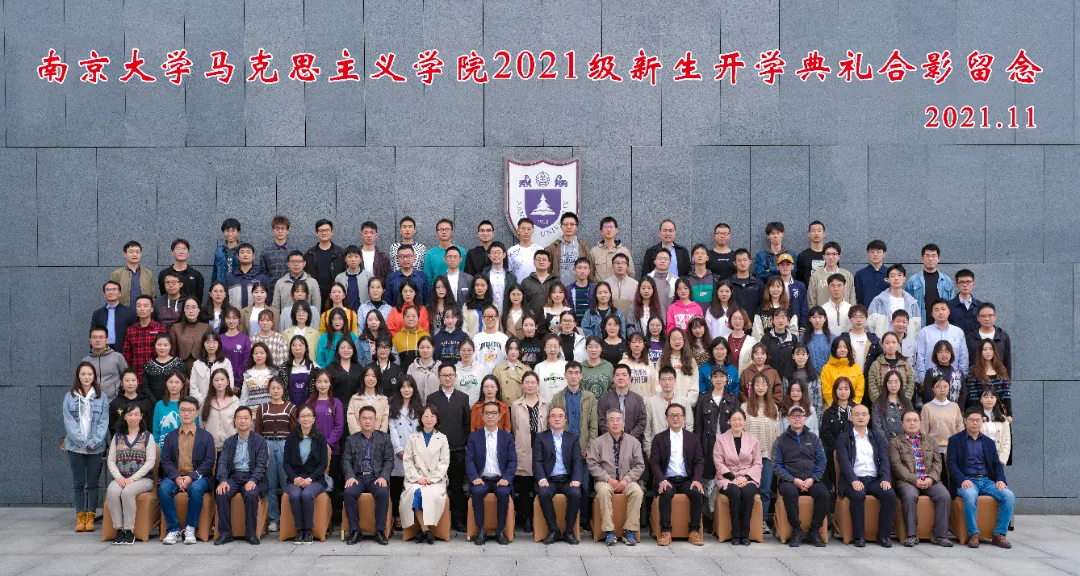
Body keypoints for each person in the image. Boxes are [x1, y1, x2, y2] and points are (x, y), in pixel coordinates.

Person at [947, 407, 1014, 548]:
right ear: (965, 421)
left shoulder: (988, 442)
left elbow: (996, 464)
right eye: (971, 420)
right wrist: (962, 480)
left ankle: (999, 534)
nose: (975, 423)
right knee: (970, 496)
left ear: (982, 422)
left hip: (986, 481)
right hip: (966, 480)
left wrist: (1000, 480)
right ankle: (973, 534)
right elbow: (951, 464)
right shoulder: (955, 440)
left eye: (978, 420)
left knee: (1008, 496)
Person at [888, 409, 953, 547]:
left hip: (929, 480)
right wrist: (914, 480)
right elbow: (897, 466)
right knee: (910, 495)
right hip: (907, 481)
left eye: (915, 420)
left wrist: (931, 478)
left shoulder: (930, 441)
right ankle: (911, 535)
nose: (912, 423)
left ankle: (940, 535)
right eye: (908, 420)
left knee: (944, 495)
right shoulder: (895, 442)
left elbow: (937, 463)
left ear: (920, 423)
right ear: (902, 424)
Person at [835, 404, 896, 547]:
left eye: (864, 414)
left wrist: (885, 479)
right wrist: (854, 480)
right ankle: (859, 537)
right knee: (857, 495)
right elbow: (844, 462)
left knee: (889, 495)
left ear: (869, 417)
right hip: (853, 479)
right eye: (857, 414)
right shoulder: (844, 438)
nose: (860, 417)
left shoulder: (877, 437)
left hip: (874, 479)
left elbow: (884, 459)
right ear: (851, 417)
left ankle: (883, 536)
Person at [158, 396, 215, 545]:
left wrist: (191, 477)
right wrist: (176, 477)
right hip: (175, 477)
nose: (186, 413)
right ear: (178, 412)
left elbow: (209, 462)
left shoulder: (206, 436)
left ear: (196, 413)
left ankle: (190, 528)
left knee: (196, 489)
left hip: (199, 477)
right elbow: (166, 460)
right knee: (163, 489)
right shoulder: (170, 437)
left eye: (190, 410)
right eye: (183, 410)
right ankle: (174, 529)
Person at [650, 402, 706, 546]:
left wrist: (697, 479)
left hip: (687, 479)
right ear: (666, 418)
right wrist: (662, 480)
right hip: (667, 479)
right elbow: (654, 463)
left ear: (684, 418)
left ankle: (694, 531)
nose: (675, 418)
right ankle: (666, 531)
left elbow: (699, 461)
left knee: (697, 493)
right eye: (672, 416)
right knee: (666, 492)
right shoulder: (659, 438)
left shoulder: (692, 438)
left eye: (678, 415)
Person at [424, 363, 472, 531]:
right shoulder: (432, 398)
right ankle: (437, 520)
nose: (447, 378)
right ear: (439, 377)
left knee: (457, 486)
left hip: (458, 449)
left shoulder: (463, 398)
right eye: (444, 375)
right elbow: (429, 423)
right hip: (437, 450)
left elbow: (467, 423)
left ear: (455, 376)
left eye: (450, 375)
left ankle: (458, 521)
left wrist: (464, 442)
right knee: (437, 485)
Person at [773, 404, 828, 547]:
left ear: (805, 418)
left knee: (823, 493)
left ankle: (814, 531)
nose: (797, 419)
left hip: (811, 479)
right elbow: (777, 465)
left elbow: (822, 461)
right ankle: (796, 530)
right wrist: (793, 480)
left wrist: (813, 479)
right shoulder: (780, 440)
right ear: (788, 419)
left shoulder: (814, 439)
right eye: (794, 416)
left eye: (800, 416)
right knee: (789, 492)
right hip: (790, 480)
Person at [64, 362, 110, 533]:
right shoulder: (69, 397)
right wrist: (81, 442)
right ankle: (80, 517)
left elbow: (104, 422)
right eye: (83, 374)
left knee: (92, 483)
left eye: (90, 374)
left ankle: (90, 516)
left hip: (95, 448)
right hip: (75, 447)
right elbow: (69, 422)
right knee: (78, 483)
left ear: (94, 377)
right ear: (78, 376)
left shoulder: (101, 397)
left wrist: (94, 441)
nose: (86, 377)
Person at [213, 407, 269, 545]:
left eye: (246, 418)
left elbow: (262, 464)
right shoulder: (229, 442)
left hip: (252, 476)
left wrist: (253, 480)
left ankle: (251, 534)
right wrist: (223, 480)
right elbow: (222, 463)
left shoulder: (260, 441)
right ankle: (225, 534)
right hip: (234, 476)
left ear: (251, 421)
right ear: (234, 421)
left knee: (251, 494)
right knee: (222, 493)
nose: (243, 421)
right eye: (239, 418)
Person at [465, 401, 517, 545]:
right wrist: (474, 477)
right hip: (481, 479)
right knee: (477, 492)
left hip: (500, 479)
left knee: (503, 493)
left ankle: (500, 530)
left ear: (499, 416)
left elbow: (513, 461)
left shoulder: (507, 437)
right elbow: (469, 460)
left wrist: (506, 478)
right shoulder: (474, 437)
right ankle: (481, 530)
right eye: (487, 413)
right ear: (482, 416)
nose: (490, 416)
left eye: (493, 413)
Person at [341, 405, 394, 545]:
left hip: (376, 477)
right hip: (357, 477)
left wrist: (383, 477)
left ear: (376, 420)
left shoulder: (384, 438)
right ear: (359, 421)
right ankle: (355, 531)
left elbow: (389, 460)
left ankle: (380, 531)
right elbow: (346, 460)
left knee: (382, 492)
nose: (367, 421)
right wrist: (350, 476)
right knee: (349, 492)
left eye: (370, 418)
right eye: (364, 418)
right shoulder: (351, 439)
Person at [105, 404, 157, 544]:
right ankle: (119, 530)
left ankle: (129, 530)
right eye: (130, 415)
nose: (133, 418)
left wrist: (133, 478)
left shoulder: (147, 437)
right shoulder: (117, 437)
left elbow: (150, 462)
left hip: (143, 479)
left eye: (136, 414)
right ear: (125, 417)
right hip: (121, 477)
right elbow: (111, 461)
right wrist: (119, 477)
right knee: (112, 491)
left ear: (141, 416)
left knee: (128, 492)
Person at [400, 405, 450, 544]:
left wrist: (431, 479)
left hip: (436, 480)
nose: (429, 419)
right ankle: (426, 530)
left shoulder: (442, 438)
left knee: (430, 493)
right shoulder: (412, 438)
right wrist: (418, 478)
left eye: (432, 416)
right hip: (416, 479)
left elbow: (444, 462)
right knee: (415, 492)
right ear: (421, 419)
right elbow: (408, 461)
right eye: (426, 416)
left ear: (437, 419)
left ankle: (422, 531)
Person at [534, 407, 584, 545]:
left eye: (560, 416)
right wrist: (542, 479)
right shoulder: (540, 437)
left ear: (565, 419)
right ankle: (554, 530)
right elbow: (537, 461)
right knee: (543, 493)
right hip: (549, 479)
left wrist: (576, 479)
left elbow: (577, 460)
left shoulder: (573, 438)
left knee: (575, 493)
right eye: (553, 416)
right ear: (548, 419)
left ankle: (569, 531)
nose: (557, 419)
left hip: (567, 479)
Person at [741, 373, 781, 536]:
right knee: (749, 490)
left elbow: (777, 432)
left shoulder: (774, 408)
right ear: (752, 387)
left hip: (767, 456)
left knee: (764, 490)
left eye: (764, 384)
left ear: (768, 388)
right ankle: (747, 520)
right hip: (748, 458)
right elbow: (740, 431)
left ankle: (762, 520)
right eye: (757, 384)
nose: (760, 387)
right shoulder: (745, 407)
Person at [253, 379, 296, 533]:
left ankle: (288, 518)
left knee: (287, 483)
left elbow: (295, 432)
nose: (276, 391)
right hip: (267, 445)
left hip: (285, 445)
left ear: (283, 390)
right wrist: (261, 450)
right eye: (273, 388)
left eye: (279, 388)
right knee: (270, 484)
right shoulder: (262, 408)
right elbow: (258, 432)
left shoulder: (291, 407)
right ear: (269, 390)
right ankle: (273, 519)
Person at [283, 404, 329, 545]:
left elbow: (323, 464)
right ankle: (299, 531)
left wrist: (310, 479)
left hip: (315, 479)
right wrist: (294, 478)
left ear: (314, 418)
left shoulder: (320, 438)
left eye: (309, 415)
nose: (306, 419)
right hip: (295, 478)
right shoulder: (291, 438)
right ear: (298, 419)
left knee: (307, 494)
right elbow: (286, 463)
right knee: (295, 495)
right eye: (303, 416)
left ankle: (308, 531)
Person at [714, 408, 761, 546]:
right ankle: (735, 533)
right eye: (734, 419)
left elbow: (757, 463)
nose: (737, 422)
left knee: (747, 493)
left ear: (744, 421)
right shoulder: (721, 439)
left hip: (748, 477)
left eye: (740, 419)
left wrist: (745, 478)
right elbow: (719, 462)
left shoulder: (753, 440)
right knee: (734, 493)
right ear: (729, 421)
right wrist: (733, 478)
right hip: (727, 478)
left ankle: (745, 534)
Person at [514, 371, 551, 533]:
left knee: (541, 483)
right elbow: (514, 427)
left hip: (541, 448)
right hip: (523, 448)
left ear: (537, 384)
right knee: (524, 485)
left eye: (533, 382)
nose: (530, 385)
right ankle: (527, 518)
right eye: (527, 382)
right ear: (522, 385)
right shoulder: (516, 405)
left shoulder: (546, 403)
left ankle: (540, 518)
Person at [307, 370, 345, 524]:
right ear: (315, 384)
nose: (322, 385)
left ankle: (330, 518)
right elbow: (306, 425)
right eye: (319, 382)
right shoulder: (310, 403)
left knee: (331, 482)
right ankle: (315, 517)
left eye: (325, 381)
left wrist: (327, 443)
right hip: (313, 450)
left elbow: (339, 426)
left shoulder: (336, 402)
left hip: (331, 450)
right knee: (314, 481)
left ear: (330, 384)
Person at [389, 376, 423, 529]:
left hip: (415, 452)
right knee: (397, 485)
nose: (406, 390)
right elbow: (392, 429)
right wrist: (398, 448)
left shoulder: (420, 407)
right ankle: (397, 516)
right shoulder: (393, 406)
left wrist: (413, 451)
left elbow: (421, 430)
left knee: (413, 485)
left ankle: (413, 516)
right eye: (403, 387)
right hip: (398, 452)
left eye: (409, 386)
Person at [644, 367, 697, 454]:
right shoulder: (651, 402)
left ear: (675, 381)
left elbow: (689, 425)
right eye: (664, 379)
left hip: (680, 449)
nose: (667, 382)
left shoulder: (684, 401)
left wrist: (686, 447)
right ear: (659, 381)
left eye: (670, 379)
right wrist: (649, 451)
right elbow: (647, 429)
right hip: (658, 449)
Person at [914, 299, 970, 377]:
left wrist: (962, 377)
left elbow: (963, 357)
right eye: (937, 310)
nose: (940, 312)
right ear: (932, 314)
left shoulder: (958, 332)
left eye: (943, 309)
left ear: (949, 311)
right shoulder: (924, 332)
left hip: (954, 378)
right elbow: (920, 357)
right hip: (930, 378)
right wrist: (922, 378)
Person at [905, 243, 956, 326]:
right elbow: (907, 305)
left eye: (933, 256)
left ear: (938, 259)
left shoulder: (947, 281)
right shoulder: (913, 281)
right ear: (922, 259)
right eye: (927, 256)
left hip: (942, 325)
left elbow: (952, 304)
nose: (930, 259)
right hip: (919, 325)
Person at [122, 295, 168, 382]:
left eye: (146, 306)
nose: (142, 309)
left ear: (152, 309)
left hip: (156, 375)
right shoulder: (130, 330)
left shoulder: (160, 328)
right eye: (139, 306)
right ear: (136, 308)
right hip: (136, 377)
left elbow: (166, 353)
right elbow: (127, 355)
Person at [304, 219, 347, 305]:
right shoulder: (309, 254)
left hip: (336, 296)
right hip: (316, 295)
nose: (324, 233)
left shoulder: (340, 253)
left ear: (332, 232)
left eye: (327, 230)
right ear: (317, 233)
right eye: (321, 230)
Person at [867, 332, 916, 404]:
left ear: (898, 344)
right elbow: (872, 386)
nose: (891, 345)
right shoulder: (876, 364)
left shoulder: (905, 363)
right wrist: (880, 404)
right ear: (882, 345)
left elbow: (911, 383)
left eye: (894, 342)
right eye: (887, 343)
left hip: (903, 404)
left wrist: (904, 402)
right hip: (882, 405)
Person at [967, 339, 1012, 416]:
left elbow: (1006, 393)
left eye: (991, 349)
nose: (988, 352)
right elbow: (973, 396)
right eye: (984, 349)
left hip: (999, 413)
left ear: (995, 351)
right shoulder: (974, 370)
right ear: (980, 352)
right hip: (980, 413)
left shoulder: (1001, 369)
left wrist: (1009, 414)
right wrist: (976, 414)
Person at [83, 325, 129, 401]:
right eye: (94, 337)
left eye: (101, 337)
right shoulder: (86, 361)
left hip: (114, 402)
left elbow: (126, 378)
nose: (98, 340)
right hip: (92, 402)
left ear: (107, 340)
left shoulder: (117, 357)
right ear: (90, 341)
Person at [968, 303, 1013, 378]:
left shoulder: (1003, 336)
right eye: (983, 316)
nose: (987, 319)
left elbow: (1007, 361)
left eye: (990, 315)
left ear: (995, 316)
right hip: (976, 380)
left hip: (999, 380)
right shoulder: (971, 337)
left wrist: (1008, 380)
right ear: (978, 318)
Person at [260, 216, 301, 299]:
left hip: (292, 292)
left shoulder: (295, 250)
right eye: (277, 228)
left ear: (287, 231)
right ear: (273, 230)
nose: (280, 231)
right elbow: (263, 274)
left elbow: (300, 272)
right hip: (272, 293)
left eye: (283, 228)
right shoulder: (266, 252)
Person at [93, 281, 138, 353]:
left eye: (114, 289)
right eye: (108, 290)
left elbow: (135, 334)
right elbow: (93, 334)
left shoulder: (129, 312)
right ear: (104, 294)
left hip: (123, 351)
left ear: (120, 293)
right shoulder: (98, 314)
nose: (111, 292)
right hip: (102, 350)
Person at [921, 376, 964, 452]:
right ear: (933, 389)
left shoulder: (955, 406)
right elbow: (923, 431)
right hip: (934, 449)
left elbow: (960, 429)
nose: (942, 390)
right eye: (938, 387)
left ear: (949, 388)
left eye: (945, 386)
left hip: (953, 448)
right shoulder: (927, 407)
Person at [819, 334, 865, 406]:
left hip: (853, 408)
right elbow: (826, 390)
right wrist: (836, 406)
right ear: (834, 349)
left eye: (845, 347)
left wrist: (853, 405)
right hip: (832, 408)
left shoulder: (856, 368)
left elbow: (859, 390)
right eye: (839, 347)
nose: (842, 350)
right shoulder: (827, 368)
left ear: (849, 349)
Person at [201, 368, 239, 450]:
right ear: (212, 383)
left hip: (230, 446)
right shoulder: (206, 402)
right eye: (216, 380)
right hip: (211, 447)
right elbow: (202, 424)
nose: (219, 383)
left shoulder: (235, 401)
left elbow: (239, 424)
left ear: (228, 382)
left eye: (222, 379)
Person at [110, 240, 157, 306]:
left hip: (144, 311)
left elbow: (153, 295)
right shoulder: (116, 274)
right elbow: (112, 295)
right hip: (123, 310)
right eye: (131, 252)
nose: (135, 254)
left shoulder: (148, 274)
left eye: (137, 252)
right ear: (125, 254)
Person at [225, 243, 271, 310]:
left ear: (253, 256)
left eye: (248, 252)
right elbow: (225, 299)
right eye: (242, 252)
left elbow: (268, 300)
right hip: (234, 315)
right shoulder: (230, 277)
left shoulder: (262, 278)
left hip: (256, 315)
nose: (245, 255)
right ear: (238, 256)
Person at [920, 340, 966, 407]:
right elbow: (928, 394)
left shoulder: (959, 372)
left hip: (955, 410)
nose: (944, 355)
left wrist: (958, 409)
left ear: (951, 353)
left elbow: (963, 393)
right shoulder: (931, 372)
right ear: (935, 354)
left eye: (947, 352)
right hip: (936, 409)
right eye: (940, 352)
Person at [808, 242, 855, 307]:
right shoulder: (816, 276)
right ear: (823, 256)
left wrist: (852, 312)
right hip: (822, 312)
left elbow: (852, 298)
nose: (831, 257)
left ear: (838, 256)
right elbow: (811, 300)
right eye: (828, 254)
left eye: (834, 254)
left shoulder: (847, 275)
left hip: (844, 312)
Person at [159, 238, 205, 303]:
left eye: (184, 249)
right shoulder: (164, 274)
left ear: (188, 253)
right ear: (173, 253)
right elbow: (163, 295)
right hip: (169, 309)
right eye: (178, 249)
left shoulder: (197, 275)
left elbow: (199, 299)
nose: (181, 252)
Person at [347, 365, 390, 433]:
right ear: (363, 378)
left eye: (374, 376)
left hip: (378, 439)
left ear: (378, 379)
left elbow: (384, 423)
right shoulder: (354, 399)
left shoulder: (384, 400)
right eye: (367, 375)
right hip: (358, 438)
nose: (370, 378)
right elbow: (351, 422)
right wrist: (360, 437)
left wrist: (378, 438)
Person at [873, 370, 913, 441]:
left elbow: (912, 423)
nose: (893, 385)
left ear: (900, 383)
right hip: (886, 444)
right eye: (890, 382)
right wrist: (886, 444)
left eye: (896, 382)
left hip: (906, 443)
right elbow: (877, 427)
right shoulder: (878, 403)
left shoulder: (907, 402)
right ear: (886, 384)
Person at [591, 216, 635, 281]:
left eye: (611, 227)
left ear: (616, 230)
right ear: (601, 231)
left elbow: (631, 273)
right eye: (606, 227)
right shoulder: (594, 251)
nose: (609, 230)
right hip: (601, 287)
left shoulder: (624, 251)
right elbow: (590, 273)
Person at [153, 371, 193, 444]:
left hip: (184, 446)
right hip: (163, 446)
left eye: (177, 382)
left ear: (182, 385)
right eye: (171, 382)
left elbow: (194, 428)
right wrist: (156, 446)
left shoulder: (189, 404)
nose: (173, 385)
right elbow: (156, 431)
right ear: (166, 384)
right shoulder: (159, 405)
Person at [170, 298, 209, 372]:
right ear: (183, 310)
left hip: (202, 367)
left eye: (194, 307)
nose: (190, 311)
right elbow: (172, 352)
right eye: (187, 308)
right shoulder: (176, 328)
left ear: (199, 309)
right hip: (181, 368)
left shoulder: (206, 327)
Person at [110, 369, 154, 433]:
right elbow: (112, 425)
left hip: (143, 437)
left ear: (138, 382)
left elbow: (150, 424)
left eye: (133, 380)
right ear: (121, 383)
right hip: (121, 437)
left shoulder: (146, 402)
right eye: (127, 380)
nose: (130, 383)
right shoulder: (115, 403)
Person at [480, 241, 518, 315]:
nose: (496, 255)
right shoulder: (483, 275)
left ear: (504, 255)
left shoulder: (511, 277)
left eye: (498, 252)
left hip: (506, 314)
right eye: (493, 253)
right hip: (487, 315)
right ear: (489, 256)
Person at [219, 307, 252, 390]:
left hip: (239, 383)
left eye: (234, 318)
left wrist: (238, 382)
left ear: (239, 319)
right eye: (228, 318)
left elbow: (246, 362)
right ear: (224, 320)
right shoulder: (220, 339)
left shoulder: (245, 339)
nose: (231, 321)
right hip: (221, 382)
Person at [424, 219, 465, 284]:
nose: (444, 232)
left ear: (452, 232)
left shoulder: (461, 252)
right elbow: (427, 277)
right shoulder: (430, 254)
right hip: (437, 288)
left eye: (447, 229)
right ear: (437, 232)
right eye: (441, 229)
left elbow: (464, 273)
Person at [334, 246, 373, 313]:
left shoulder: (368, 276)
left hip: (364, 313)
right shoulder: (339, 278)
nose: (353, 259)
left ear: (360, 259)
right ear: (345, 259)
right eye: (350, 257)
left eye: (356, 256)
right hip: (345, 314)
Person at [979, 387, 1012, 465]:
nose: (989, 400)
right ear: (980, 400)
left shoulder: (1003, 419)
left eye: (992, 397)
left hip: (997, 459)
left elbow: (1007, 441)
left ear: (996, 399)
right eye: (985, 397)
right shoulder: (975, 418)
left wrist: (1001, 460)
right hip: (979, 459)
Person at [472, 305, 508, 373]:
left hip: (499, 375)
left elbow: (507, 359)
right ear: (482, 318)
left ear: (497, 317)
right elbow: (473, 360)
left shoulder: (504, 338)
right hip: (482, 375)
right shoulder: (476, 338)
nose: (490, 319)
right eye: (487, 317)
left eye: (492, 316)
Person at [282, 302, 320, 368]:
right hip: (290, 369)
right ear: (294, 314)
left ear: (308, 314)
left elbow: (317, 355)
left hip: (310, 370)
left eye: (304, 311)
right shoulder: (286, 333)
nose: (301, 314)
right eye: (298, 311)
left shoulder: (315, 334)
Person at [239, 343, 276, 408]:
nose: (258, 356)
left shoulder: (274, 373)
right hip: (251, 411)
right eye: (255, 353)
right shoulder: (247, 374)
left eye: (261, 353)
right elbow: (244, 397)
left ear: (266, 355)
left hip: (270, 411)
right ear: (252, 356)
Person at [729, 249, 764, 318]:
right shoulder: (729, 283)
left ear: (750, 262)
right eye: (739, 261)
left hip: (753, 322)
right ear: (735, 263)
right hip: (734, 322)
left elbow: (762, 305)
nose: (742, 263)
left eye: (745, 260)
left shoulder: (758, 283)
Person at [492, 339, 528, 404]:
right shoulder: (498, 369)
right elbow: (494, 391)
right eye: (511, 349)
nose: (513, 352)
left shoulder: (526, 369)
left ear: (520, 351)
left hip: (522, 406)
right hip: (504, 406)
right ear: (506, 350)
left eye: (516, 349)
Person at [854, 240, 889, 307]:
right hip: (866, 312)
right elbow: (857, 298)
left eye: (878, 252)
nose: (875, 254)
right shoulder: (860, 274)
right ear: (868, 253)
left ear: (884, 254)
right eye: (872, 252)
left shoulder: (890, 273)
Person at [606, 253, 639, 320]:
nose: (620, 266)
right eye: (617, 263)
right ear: (612, 266)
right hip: (610, 323)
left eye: (623, 263)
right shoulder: (606, 284)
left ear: (627, 266)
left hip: (630, 322)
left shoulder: (635, 284)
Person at [212, 218, 242, 285]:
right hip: (222, 287)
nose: (230, 234)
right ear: (223, 232)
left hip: (238, 286)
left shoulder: (243, 250)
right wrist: (213, 286)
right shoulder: (219, 250)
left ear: (238, 232)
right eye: (227, 231)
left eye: (233, 231)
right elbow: (215, 271)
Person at [795, 221, 827, 285]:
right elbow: (799, 279)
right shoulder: (802, 256)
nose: (816, 233)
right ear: (809, 234)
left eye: (819, 231)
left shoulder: (831, 255)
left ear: (824, 233)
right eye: (813, 231)